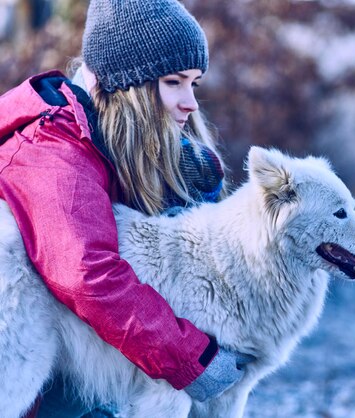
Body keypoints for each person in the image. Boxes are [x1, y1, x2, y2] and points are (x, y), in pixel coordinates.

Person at [0, 0, 254, 416]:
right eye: (174, 82)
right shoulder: (54, 151)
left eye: (195, 84)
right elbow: (89, 275)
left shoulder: (123, 144)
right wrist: (193, 358)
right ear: (119, 86)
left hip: (71, 365)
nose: (190, 102)